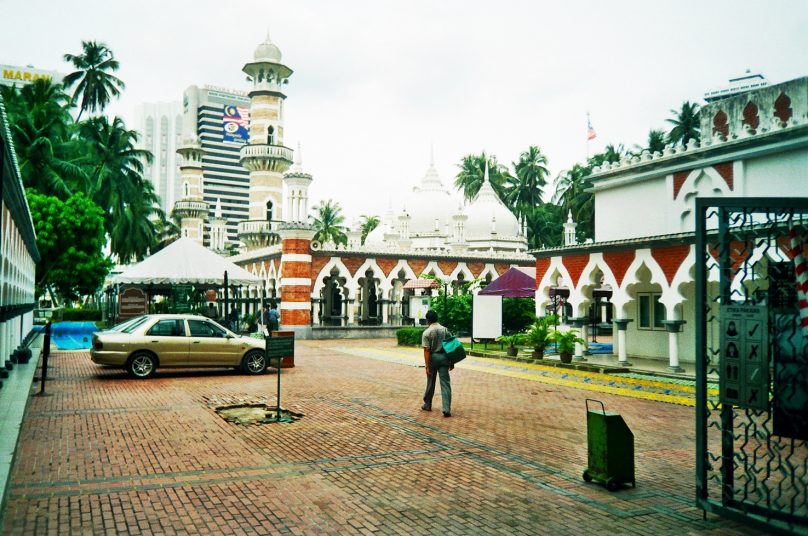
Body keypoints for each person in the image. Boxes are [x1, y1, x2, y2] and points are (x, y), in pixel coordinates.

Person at [421, 309, 454, 417]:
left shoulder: (427, 332)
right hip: (444, 358)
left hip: (433, 358)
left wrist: (427, 366)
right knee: (445, 383)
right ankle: (446, 408)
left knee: (430, 382)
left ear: (428, 320)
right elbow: (451, 346)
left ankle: (428, 404)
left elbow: (426, 350)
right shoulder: (445, 330)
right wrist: (452, 361)